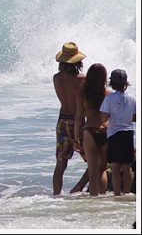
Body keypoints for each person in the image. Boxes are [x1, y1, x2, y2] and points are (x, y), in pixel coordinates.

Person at [52, 42, 87, 195]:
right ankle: (78, 188)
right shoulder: (82, 79)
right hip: (77, 121)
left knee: (61, 163)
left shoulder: (56, 78)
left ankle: (56, 195)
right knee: (95, 162)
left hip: (61, 121)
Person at [74, 63, 109, 196]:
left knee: (93, 170)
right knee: (102, 169)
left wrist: (76, 138)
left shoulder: (82, 94)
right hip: (105, 132)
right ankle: (103, 197)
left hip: (90, 132)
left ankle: (94, 198)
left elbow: (78, 118)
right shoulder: (108, 94)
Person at [100, 69, 136, 196]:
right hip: (128, 133)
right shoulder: (132, 98)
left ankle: (116, 193)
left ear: (112, 83)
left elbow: (103, 118)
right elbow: (135, 118)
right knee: (127, 166)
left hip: (114, 133)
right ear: (126, 83)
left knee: (115, 166)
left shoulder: (109, 98)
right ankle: (126, 193)